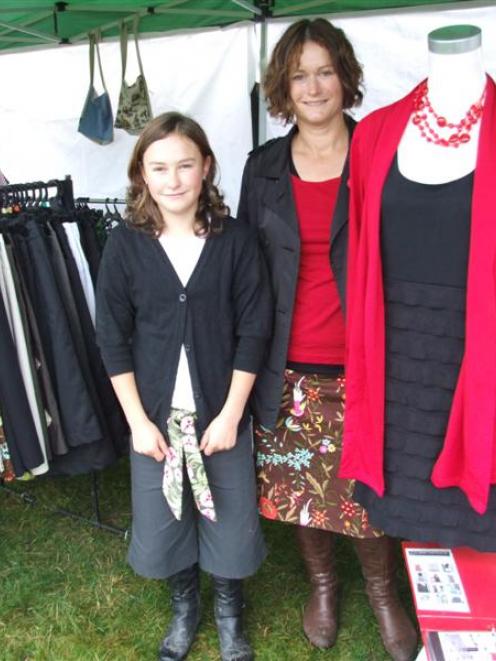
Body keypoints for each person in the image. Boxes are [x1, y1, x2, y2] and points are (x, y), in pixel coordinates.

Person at [237, 18, 417, 661]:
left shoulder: (384, 151)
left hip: (369, 356)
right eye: (299, 73)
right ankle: (322, 585)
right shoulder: (261, 168)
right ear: (283, 86)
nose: (314, 85)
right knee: (300, 483)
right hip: (287, 358)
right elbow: (246, 270)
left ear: (345, 75)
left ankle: (380, 590)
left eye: (325, 70)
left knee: (368, 485)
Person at [96, 112, 271, 661]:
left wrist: (231, 414)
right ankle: (183, 605)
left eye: (185, 165)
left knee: (230, 515)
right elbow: (112, 338)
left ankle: (226, 608)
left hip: (220, 415)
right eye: (159, 167)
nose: (173, 179)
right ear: (142, 175)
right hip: (155, 420)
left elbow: (254, 327)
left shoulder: (236, 240)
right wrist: (137, 423)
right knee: (166, 518)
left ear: (207, 168)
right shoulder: (124, 246)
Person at [340, 24, 496, 552]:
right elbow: (360, 241)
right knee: (409, 490)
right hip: (398, 354)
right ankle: (429, 608)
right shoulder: (376, 134)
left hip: (480, 344)